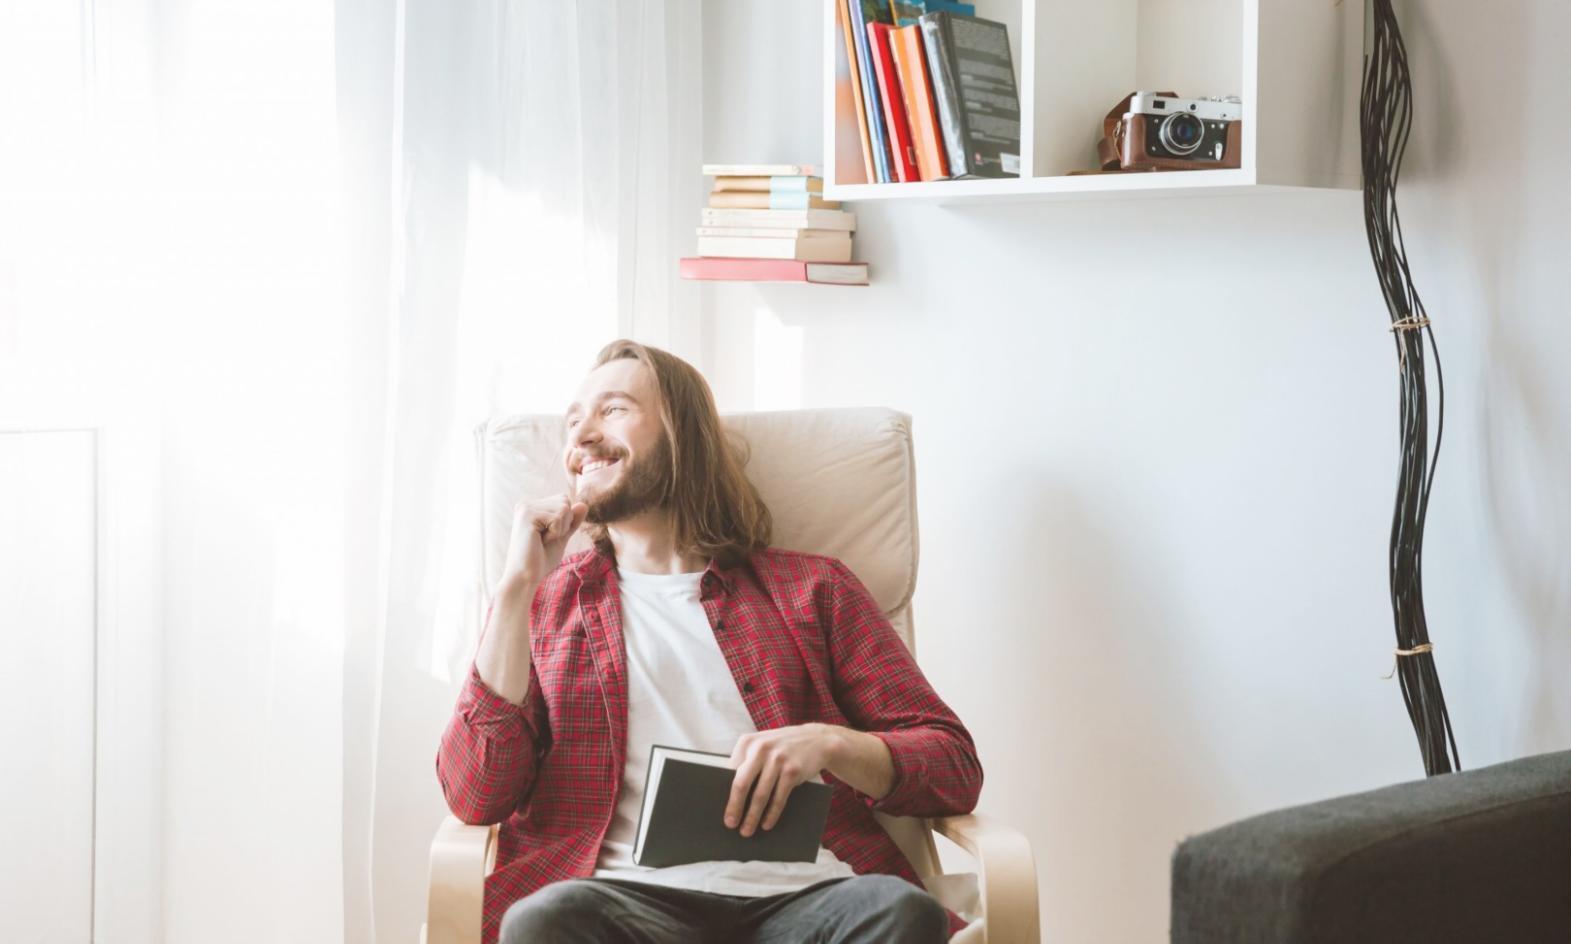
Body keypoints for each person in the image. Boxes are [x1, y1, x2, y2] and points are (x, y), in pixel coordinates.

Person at [437, 340, 983, 944]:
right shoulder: (543, 608)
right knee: (544, 921)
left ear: (682, 434)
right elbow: (475, 794)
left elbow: (952, 765)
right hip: (624, 905)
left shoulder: (813, 589)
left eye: (612, 410)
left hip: (809, 901)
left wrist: (830, 744)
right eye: (573, 421)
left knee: (902, 913)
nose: (581, 437)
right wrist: (515, 589)